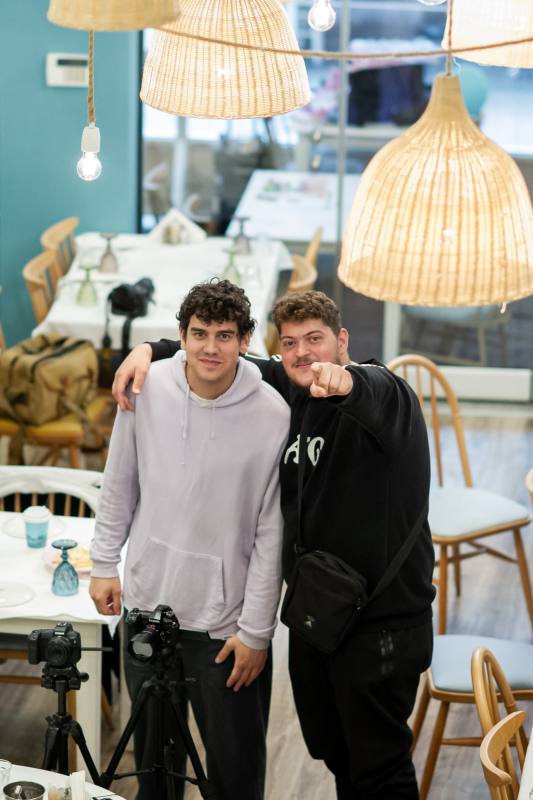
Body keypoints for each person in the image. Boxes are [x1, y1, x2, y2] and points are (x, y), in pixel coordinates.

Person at [112, 289, 436, 800]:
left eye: (316, 339)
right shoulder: (292, 387)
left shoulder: (389, 396)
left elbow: (372, 389)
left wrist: (346, 380)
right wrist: (149, 349)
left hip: (381, 624)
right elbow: (217, 353)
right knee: (337, 753)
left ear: (342, 339)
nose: (304, 353)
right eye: (290, 343)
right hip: (319, 615)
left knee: (380, 767)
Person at [89, 279, 290, 800]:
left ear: (245, 341)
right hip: (146, 606)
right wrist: (104, 564)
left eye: (224, 335)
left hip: (225, 629)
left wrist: (257, 632)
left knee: (235, 775)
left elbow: (271, 534)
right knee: (154, 772)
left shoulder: (273, 414)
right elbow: (119, 481)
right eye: (199, 334)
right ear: (181, 336)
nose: (210, 348)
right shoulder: (147, 387)